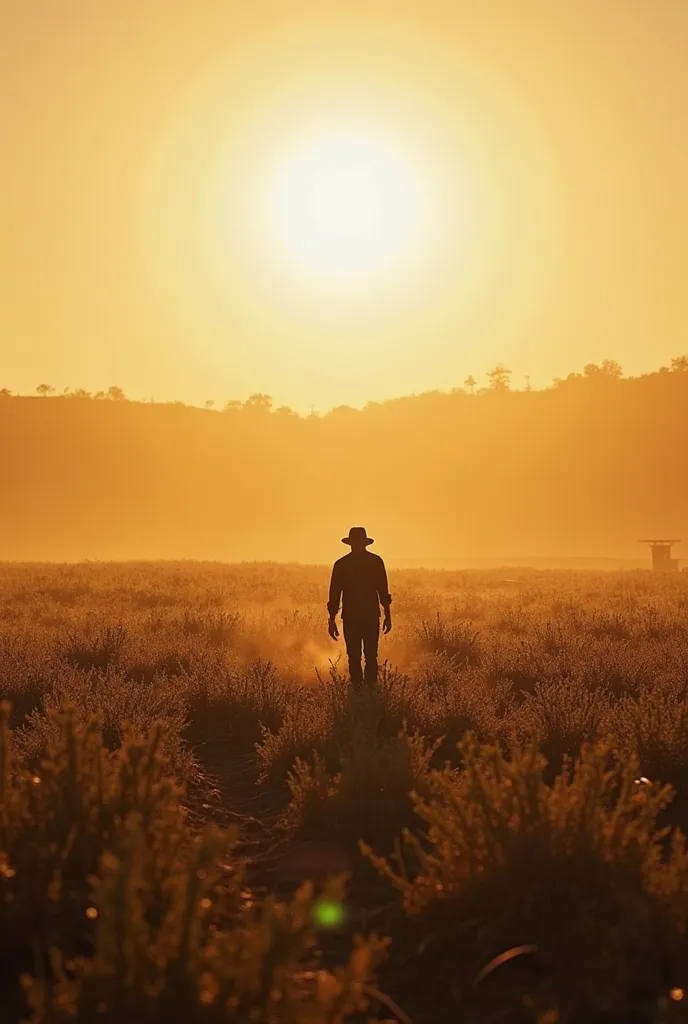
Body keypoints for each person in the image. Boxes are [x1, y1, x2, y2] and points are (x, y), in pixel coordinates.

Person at [327, 527, 392, 685]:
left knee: (358, 657)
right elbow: (383, 592)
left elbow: (335, 595)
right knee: (367, 656)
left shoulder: (342, 564)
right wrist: (387, 615)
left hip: (353, 617)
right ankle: (367, 691)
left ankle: (360, 691)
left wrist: (332, 619)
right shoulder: (375, 562)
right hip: (365, 616)